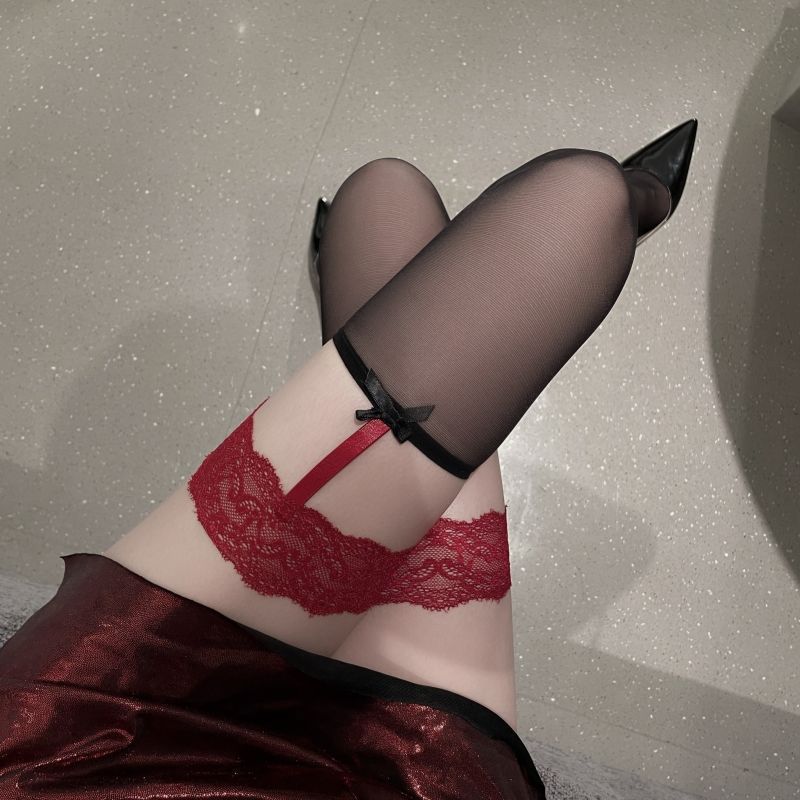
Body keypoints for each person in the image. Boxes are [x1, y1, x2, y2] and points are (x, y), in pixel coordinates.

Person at [0, 119, 697, 799]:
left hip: (87, 744)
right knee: (569, 199)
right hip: (395, 772)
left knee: (386, 190)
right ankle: (625, 207)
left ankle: (365, 310)